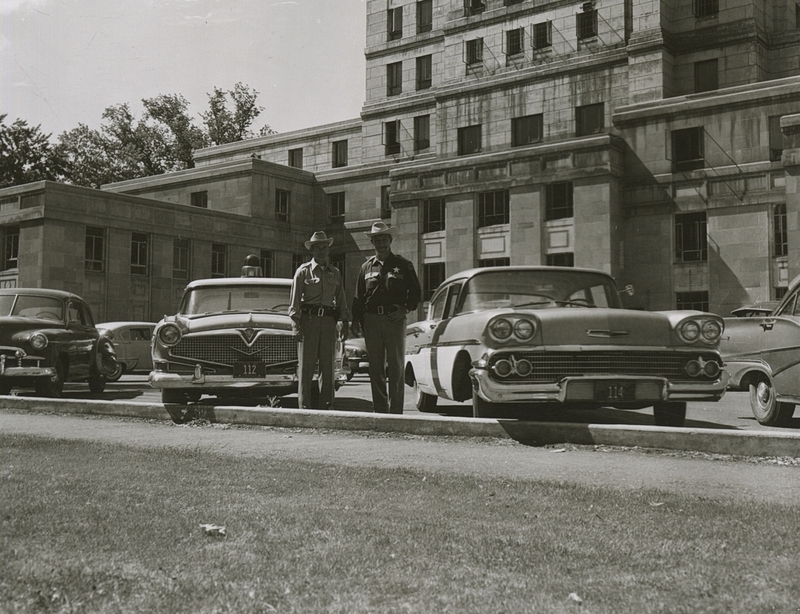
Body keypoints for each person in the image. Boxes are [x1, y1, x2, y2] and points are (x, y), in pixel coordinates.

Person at [352, 222, 421, 414]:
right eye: (377, 240)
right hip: (371, 321)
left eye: (384, 239)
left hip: (394, 320)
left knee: (396, 366)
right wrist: (355, 320)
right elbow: (358, 296)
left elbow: (415, 292)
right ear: (372, 243)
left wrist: (405, 309)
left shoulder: (403, 265)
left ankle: (396, 411)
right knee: (375, 367)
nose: (381, 243)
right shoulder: (366, 267)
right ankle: (380, 410)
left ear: (390, 241)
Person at [289, 231, 350, 410]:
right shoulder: (303, 271)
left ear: (328, 250)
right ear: (312, 251)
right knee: (306, 368)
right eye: (318, 248)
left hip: (329, 323)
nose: (322, 251)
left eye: (324, 248)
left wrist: (345, 323)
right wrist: (295, 326)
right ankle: (304, 408)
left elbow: (341, 300)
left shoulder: (335, 273)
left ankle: (327, 407)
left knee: (328, 367)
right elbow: (294, 303)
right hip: (308, 322)